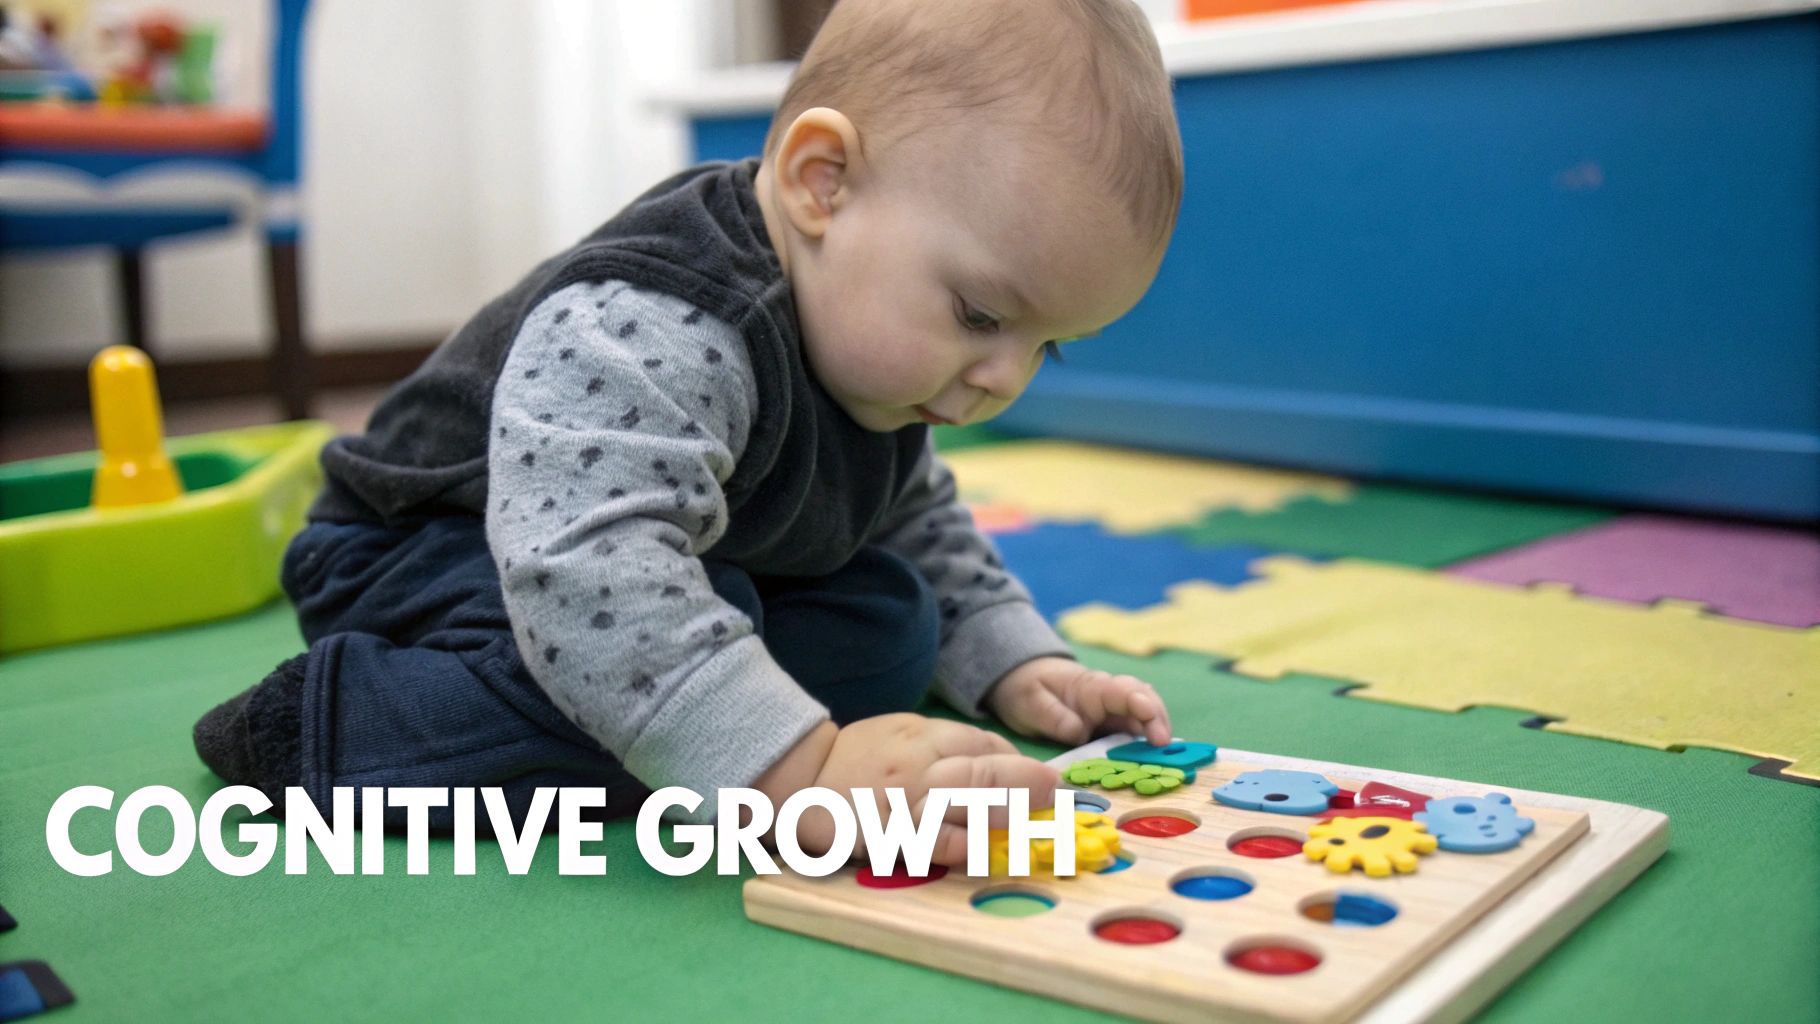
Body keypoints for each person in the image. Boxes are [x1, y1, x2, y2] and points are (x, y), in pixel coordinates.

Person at [195, 0, 1185, 865]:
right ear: (822, 182)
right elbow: (585, 569)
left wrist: (1017, 663)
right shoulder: (661, 324)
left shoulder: (882, 360)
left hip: (666, 560)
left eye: (1045, 347)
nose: (1002, 378)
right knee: (647, 660)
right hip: (432, 552)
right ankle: (338, 724)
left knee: (896, 622)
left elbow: (909, 515)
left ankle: (712, 710)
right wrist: (800, 776)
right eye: (979, 314)